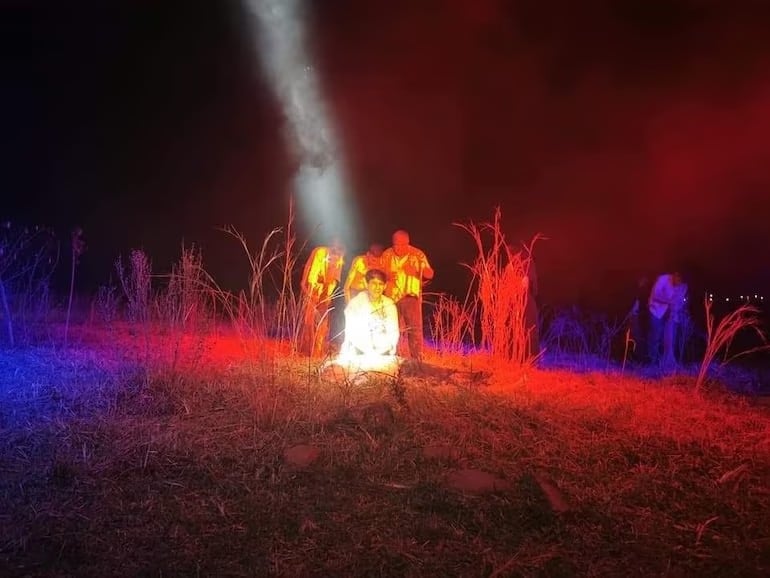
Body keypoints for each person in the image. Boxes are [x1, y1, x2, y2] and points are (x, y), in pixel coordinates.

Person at [381, 229, 434, 360]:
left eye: (401, 245)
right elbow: (378, 273)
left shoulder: (417, 254)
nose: (398, 248)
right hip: (390, 299)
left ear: (408, 243)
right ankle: (391, 358)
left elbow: (430, 274)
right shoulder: (387, 254)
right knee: (391, 328)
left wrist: (416, 270)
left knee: (414, 330)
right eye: (395, 244)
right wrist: (386, 275)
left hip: (410, 298)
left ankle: (417, 361)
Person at [339, 268, 400, 359]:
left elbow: (394, 332)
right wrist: (369, 351)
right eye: (374, 283)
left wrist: (383, 349)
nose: (377, 288)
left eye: (380, 284)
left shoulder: (389, 305)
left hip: (384, 353)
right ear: (366, 284)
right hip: (360, 352)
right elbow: (352, 333)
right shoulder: (356, 304)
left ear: (385, 286)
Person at [299, 239, 345, 357]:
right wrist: (313, 294)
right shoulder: (320, 253)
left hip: (326, 287)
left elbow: (335, 279)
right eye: (334, 251)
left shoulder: (340, 258)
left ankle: (318, 349)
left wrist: (327, 296)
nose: (336, 256)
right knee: (310, 317)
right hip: (312, 286)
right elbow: (312, 276)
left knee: (323, 317)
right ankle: (306, 350)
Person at [647, 271, 688, 367]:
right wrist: (669, 301)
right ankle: (651, 362)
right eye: (678, 280)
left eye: (681, 282)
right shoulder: (663, 279)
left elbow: (679, 301)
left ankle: (664, 362)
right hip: (656, 310)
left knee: (669, 338)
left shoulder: (683, 285)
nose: (679, 283)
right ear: (675, 275)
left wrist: (676, 310)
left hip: (671, 314)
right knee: (655, 336)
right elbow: (656, 295)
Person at [627, 275, 651, 361]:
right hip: (633, 315)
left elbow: (643, 305)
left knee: (638, 337)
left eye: (645, 281)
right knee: (633, 337)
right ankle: (633, 357)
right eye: (643, 280)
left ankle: (639, 358)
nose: (644, 282)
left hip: (638, 316)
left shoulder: (643, 292)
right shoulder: (635, 291)